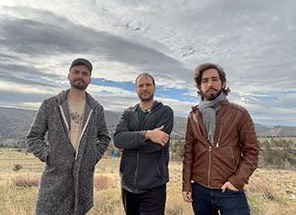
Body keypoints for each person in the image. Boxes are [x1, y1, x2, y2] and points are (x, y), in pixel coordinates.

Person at [26, 58, 110, 215]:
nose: (80, 76)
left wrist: (92, 157)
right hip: (54, 179)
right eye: (76, 72)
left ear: (89, 79)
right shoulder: (51, 104)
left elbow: (104, 137)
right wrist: (49, 156)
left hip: (82, 182)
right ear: (69, 75)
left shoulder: (96, 108)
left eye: (84, 74)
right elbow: (33, 137)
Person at [182, 63, 259, 215]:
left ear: (223, 83)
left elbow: (252, 152)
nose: (210, 84)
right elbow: (188, 154)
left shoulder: (239, 113)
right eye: (205, 81)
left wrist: (237, 182)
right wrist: (186, 185)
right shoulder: (193, 116)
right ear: (199, 85)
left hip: (229, 190)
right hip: (200, 191)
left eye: (214, 79)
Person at [114, 73, 174, 215]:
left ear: (154, 87)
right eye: (141, 85)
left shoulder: (165, 112)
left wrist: (128, 144)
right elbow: (117, 139)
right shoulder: (128, 114)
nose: (144, 88)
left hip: (154, 186)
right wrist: (148, 135)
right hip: (128, 185)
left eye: (148, 84)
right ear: (136, 89)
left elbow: (157, 145)